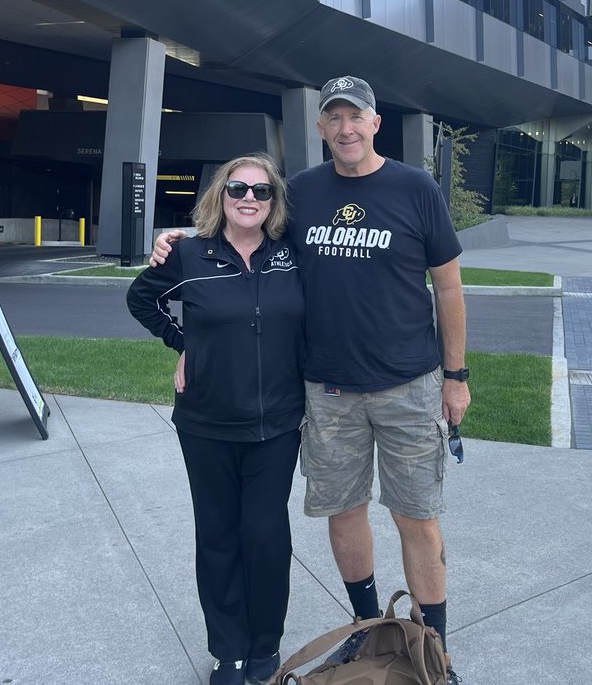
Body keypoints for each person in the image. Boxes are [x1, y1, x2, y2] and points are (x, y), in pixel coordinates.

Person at [152, 76, 469, 685]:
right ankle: (367, 629)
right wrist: (179, 242)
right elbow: (243, 230)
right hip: (326, 389)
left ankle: (435, 650)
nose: (346, 128)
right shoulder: (299, 194)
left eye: (358, 117)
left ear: (377, 123)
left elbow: (449, 287)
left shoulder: (416, 188)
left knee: (417, 517)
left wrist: (456, 377)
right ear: (320, 128)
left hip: (408, 383)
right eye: (335, 119)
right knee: (343, 511)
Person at [127, 153, 304, 685]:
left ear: (274, 202)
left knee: (266, 534)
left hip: (278, 424)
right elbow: (140, 301)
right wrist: (188, 344)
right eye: (237, 189)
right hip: (206, 423)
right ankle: (228, 650)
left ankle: (264, 645)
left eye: (261, 191)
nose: (249, 198)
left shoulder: (293, 254)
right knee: (219, 535)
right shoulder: (189, 257)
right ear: (220, 197)